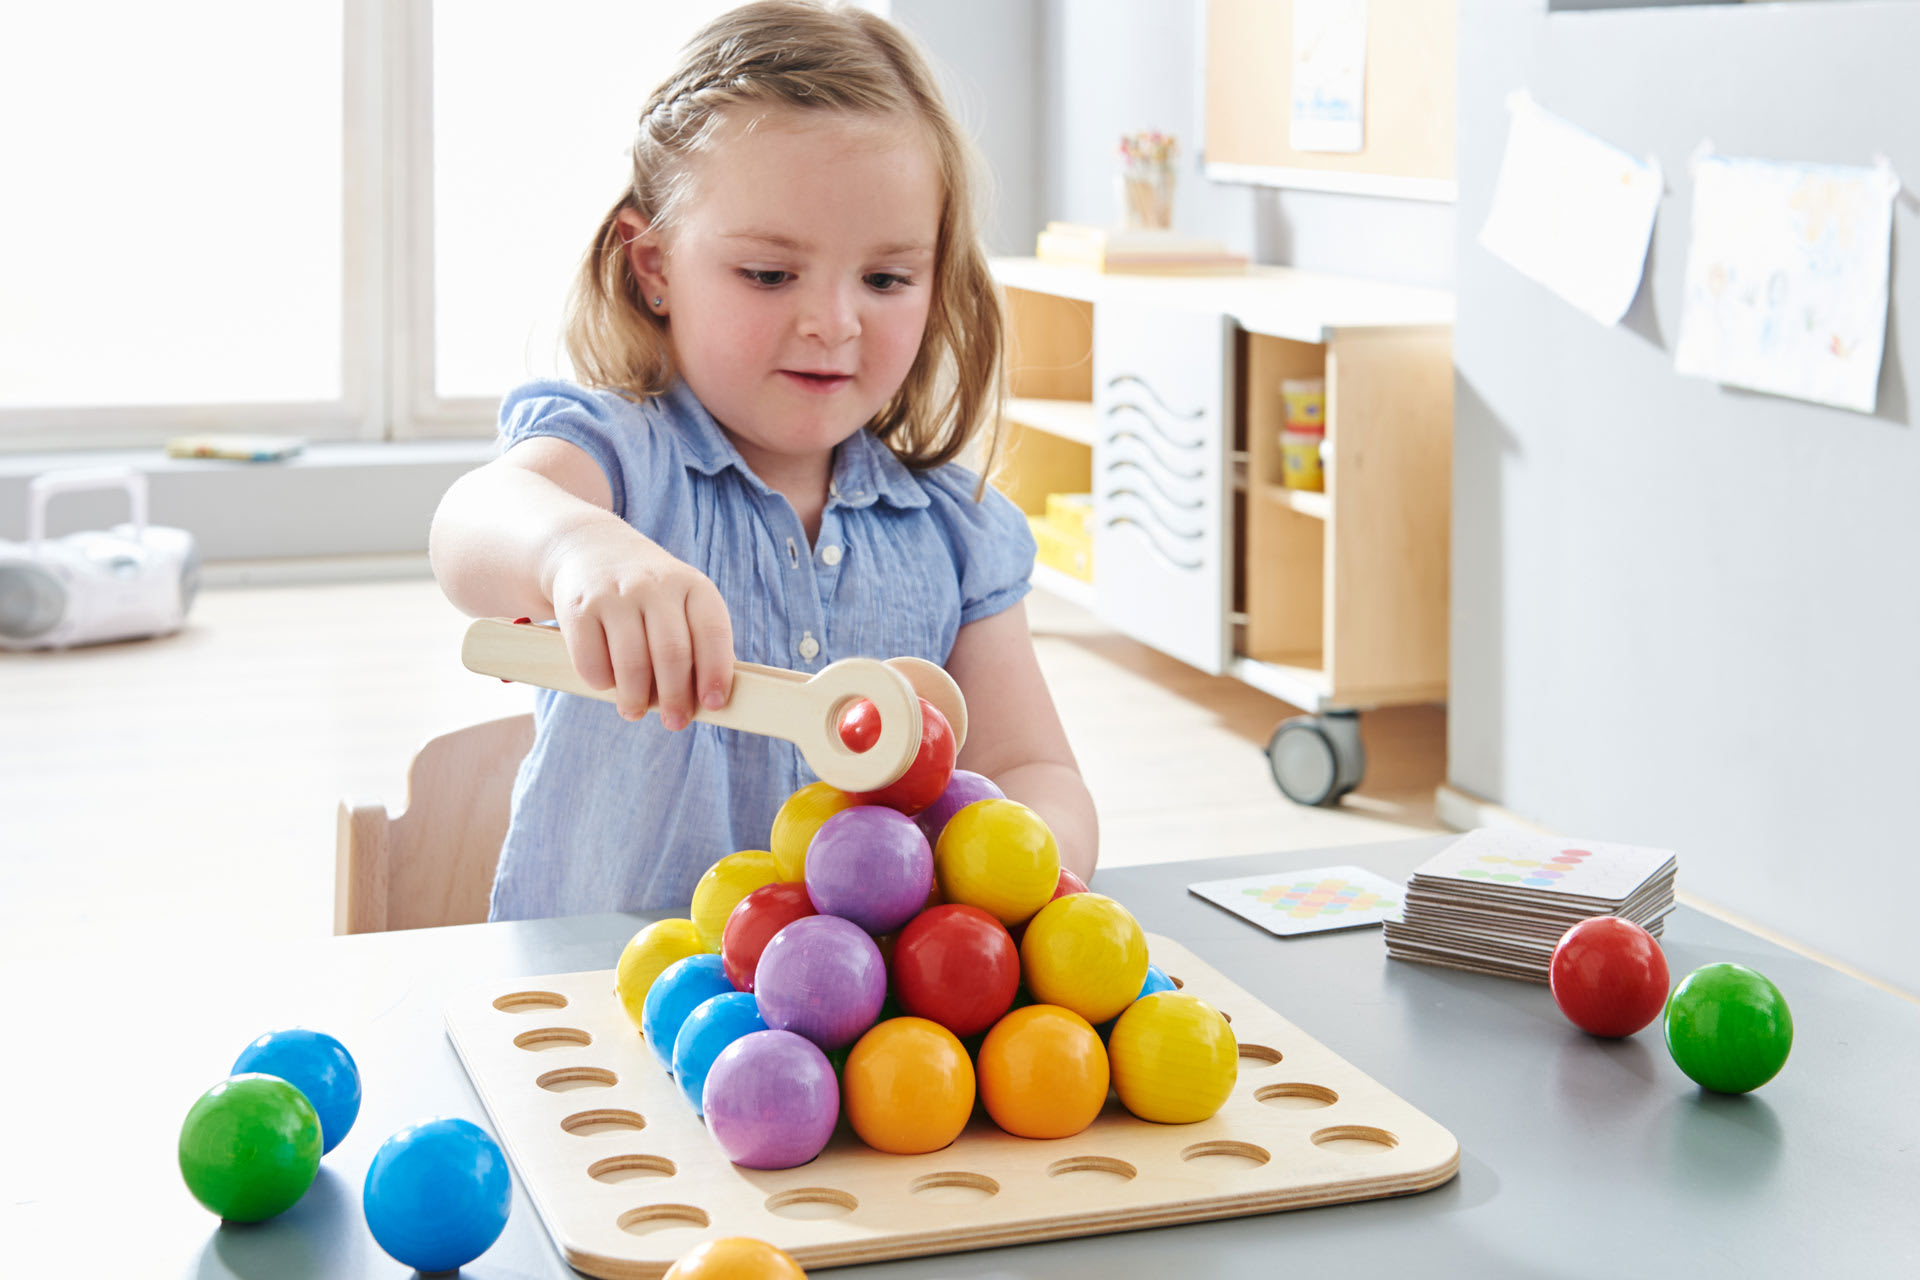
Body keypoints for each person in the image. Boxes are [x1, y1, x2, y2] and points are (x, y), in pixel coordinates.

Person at [430, 0, 1097, 921]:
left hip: (865, 1053)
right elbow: (474, 520)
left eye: (887, 278)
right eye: (771, 275)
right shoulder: (622, 462)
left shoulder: (958, 532)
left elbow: (1034, 768)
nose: (834, 322)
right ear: (654, 266)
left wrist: (1015, 862)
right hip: (601, 1017)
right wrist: (579, 551)